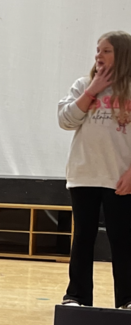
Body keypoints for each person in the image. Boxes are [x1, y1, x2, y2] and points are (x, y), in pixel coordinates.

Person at [58, 31, 131, 309]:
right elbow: (65, 120)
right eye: (98, 50)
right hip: (84, 175)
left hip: (119, 178)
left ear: (122, 54)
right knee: (83, 237)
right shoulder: (83, 85)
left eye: (106, 50)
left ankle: (127, 299)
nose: (98, 55)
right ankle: (76, 297)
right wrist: (92, 91)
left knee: (122, 239)